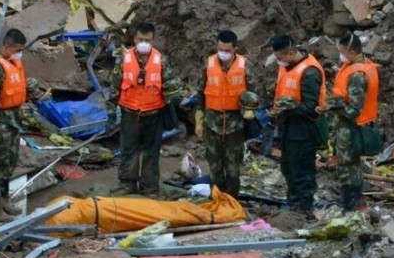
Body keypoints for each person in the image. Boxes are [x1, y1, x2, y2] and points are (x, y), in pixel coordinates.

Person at [109, 22, 182, 196]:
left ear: (153, 40)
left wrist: (174, 95)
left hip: (154, 113)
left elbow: (172, 86)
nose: (144, 42)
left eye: (147, 40)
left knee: (152, 152)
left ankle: (150, 187)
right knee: (129, 150)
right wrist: (111, 111)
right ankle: (127, 184)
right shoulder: (123, 59)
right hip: (130, 112)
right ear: (134, 39)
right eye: (141, 39)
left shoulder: (161, 60)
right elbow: (114, 87)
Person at [195, 29, 257, 197]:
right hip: (212, 123)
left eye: (227, 50)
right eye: (220, 49)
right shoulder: (208, 64)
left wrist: (250, 110)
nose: (223, 53)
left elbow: (254, 93)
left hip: (235, 124)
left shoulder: (245, 66)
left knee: (233, 168)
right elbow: (200, 93)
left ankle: (232, 201)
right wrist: (199, 121)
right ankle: (217, 199)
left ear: (235, 48)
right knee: (214, 167)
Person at [271, 35, 326, 214]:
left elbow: (311, 107)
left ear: (292, 52)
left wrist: (288, 108)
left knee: (302, 171)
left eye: (281, 58)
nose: (279, 62)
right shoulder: (287, 67)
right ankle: (293, 205)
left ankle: (304, 208)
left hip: (304, 129)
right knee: (288, 167)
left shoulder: (310, 72)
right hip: (288, 126)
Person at [329, 32, 380, 211]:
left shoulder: (358, 75)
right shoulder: (366, 65)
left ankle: (351, 204)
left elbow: (353, 109)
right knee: (351, 165)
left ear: (351, 52)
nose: (340, 56)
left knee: (348, 167)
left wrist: (331, 107)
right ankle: (351, 201)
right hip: (354, 125)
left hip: (351, 127)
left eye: (342, 52)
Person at [0, 29, 29, 222]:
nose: (20, 53)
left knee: (9, 161)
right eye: (17, 49)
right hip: (1, 121)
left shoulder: (13, 63)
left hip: (14, 119)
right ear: (7, 46)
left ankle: (4, 200)